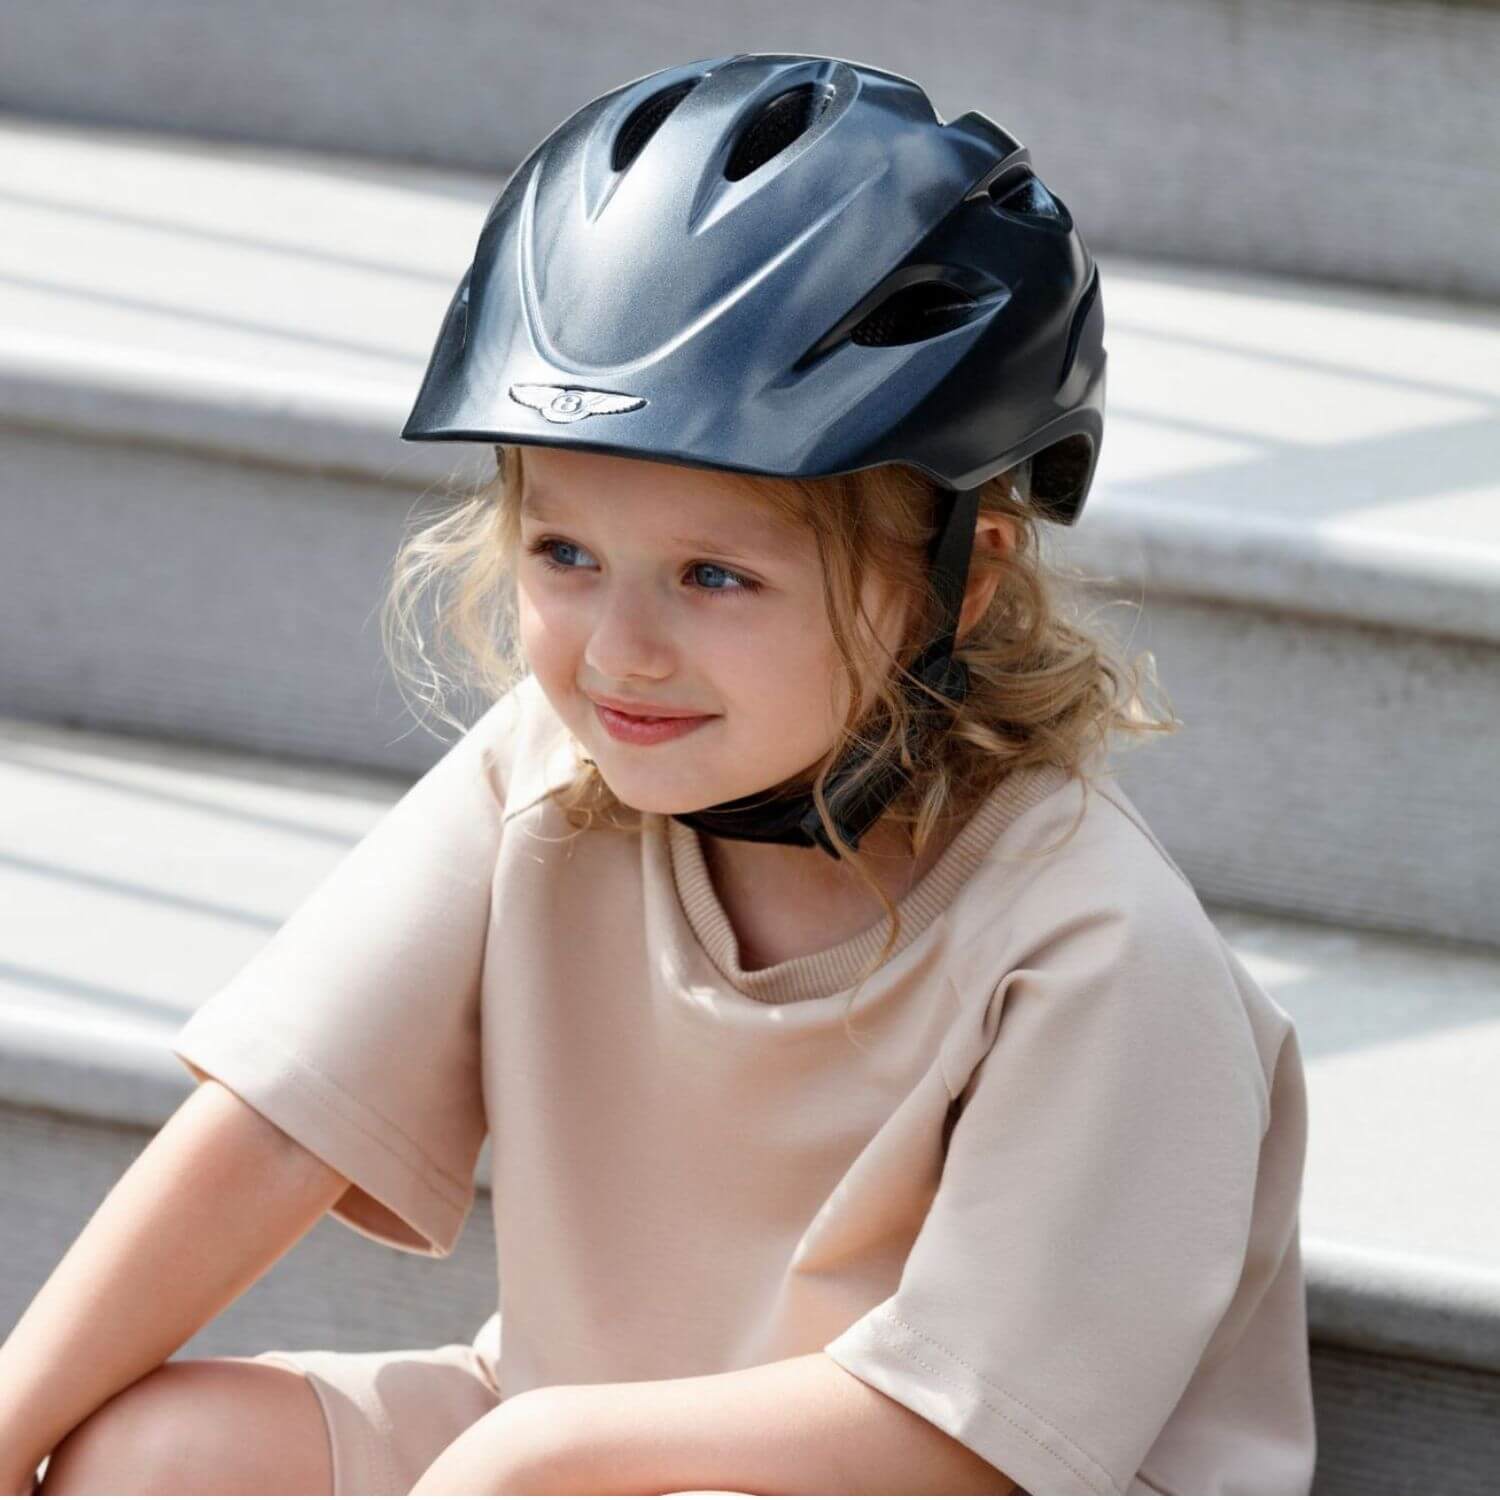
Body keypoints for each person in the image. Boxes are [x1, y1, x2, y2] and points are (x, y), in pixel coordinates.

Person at [1, 53, 1317, 1496]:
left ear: (961, 586)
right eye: (566, 554)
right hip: (568, 1444)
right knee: (159, 1453)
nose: (622, 653)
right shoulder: (556, 775)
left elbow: (964, 1443)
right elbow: (271, 1129)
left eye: (714, 574)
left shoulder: (1102, 951)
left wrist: (543, 1450)